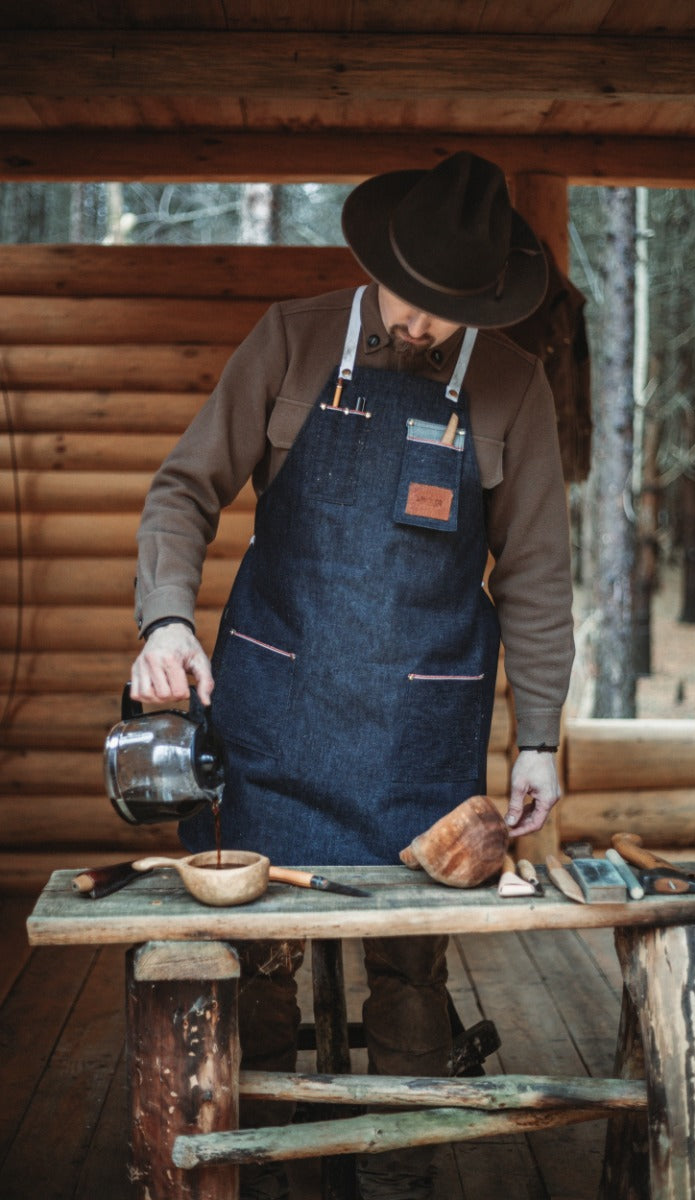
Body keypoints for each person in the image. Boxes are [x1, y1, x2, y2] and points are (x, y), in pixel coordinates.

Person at [130, 152, 575, 1200]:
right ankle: (280, 1173)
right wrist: (163, 621)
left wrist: (543, 736)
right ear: (378, 265)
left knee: (413, 972)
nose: (419, 326)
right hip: (271, 715)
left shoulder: (513, 385)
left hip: (422, 734)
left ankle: (400, 1178)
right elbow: (183, 491)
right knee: (262, 968)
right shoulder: (287, 341)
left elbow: (541, 575)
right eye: (410, 301)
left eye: (446, 313)